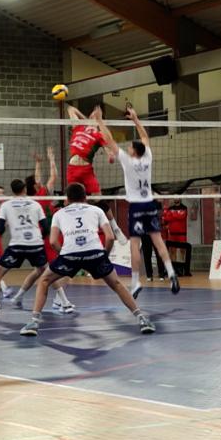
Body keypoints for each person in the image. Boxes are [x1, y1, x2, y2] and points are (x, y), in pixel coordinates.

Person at [19, 183, 155, 336]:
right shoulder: (97, 210)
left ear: (67, 199)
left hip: (69, 255)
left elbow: (52, 242)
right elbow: (110, 237)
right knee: (117, 284)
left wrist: (65, 254)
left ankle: (34, 322)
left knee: (44, 281)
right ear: (85, 197)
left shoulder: (59, 213)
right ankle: (142, 319)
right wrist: (104, 255)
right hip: (95, 254)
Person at [95, 108, 180, 298]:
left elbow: (109, 140)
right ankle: (171, 272)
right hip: (150, 204)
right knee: (158, 241)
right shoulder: (148, 158)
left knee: (135, 244)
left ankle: (135, 282)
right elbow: (145, 137)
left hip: (136, 207)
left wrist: (100, 121)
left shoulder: (128, 161)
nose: (128, 149)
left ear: (134, 152)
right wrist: (135, 118)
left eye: (131, 147)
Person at [9, 150, 75, 313]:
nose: (40, 181)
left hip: (39, 236)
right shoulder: (42, 194)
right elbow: (53, 177)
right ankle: (63, 302)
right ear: (35, 186)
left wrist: (38, 163)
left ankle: (18, 296)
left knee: (41, 270)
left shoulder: (29, 198)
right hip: (47, 236)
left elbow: (38, 178)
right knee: (56, 269)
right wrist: (52, 160)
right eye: (37, 181)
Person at [0, 180, 49, 318]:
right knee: (47, 273)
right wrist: (37, 238)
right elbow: (46, 227)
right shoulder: (35, 204)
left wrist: (8, 226)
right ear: (25, 189)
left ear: (12, 191)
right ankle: (64, 302)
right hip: (36, 244)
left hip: (17, 246)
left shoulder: (6, 205)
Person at [64, 104, 125, 241]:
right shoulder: (78, 126)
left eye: (97, 115)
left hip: (86, 170)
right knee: (68, 201)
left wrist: (110, 156)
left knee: (99, 199)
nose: (94, 114)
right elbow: (70, 109)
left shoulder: (99, 134)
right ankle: (71, 232)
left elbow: (108, 150)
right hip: (72, 169)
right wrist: (85, 119)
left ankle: (115, 228)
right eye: (92, 113)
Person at [161, 197, 189, 276]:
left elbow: (182, 217)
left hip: (182, 234)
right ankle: (174, 269)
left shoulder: (184, 208)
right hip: (172, 234)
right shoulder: (170, 208)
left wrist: (172, 215)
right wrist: (175, 215)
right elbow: (166, 218)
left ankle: (182, 269)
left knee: (182, 252)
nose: (176, 198)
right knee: (172, 252)